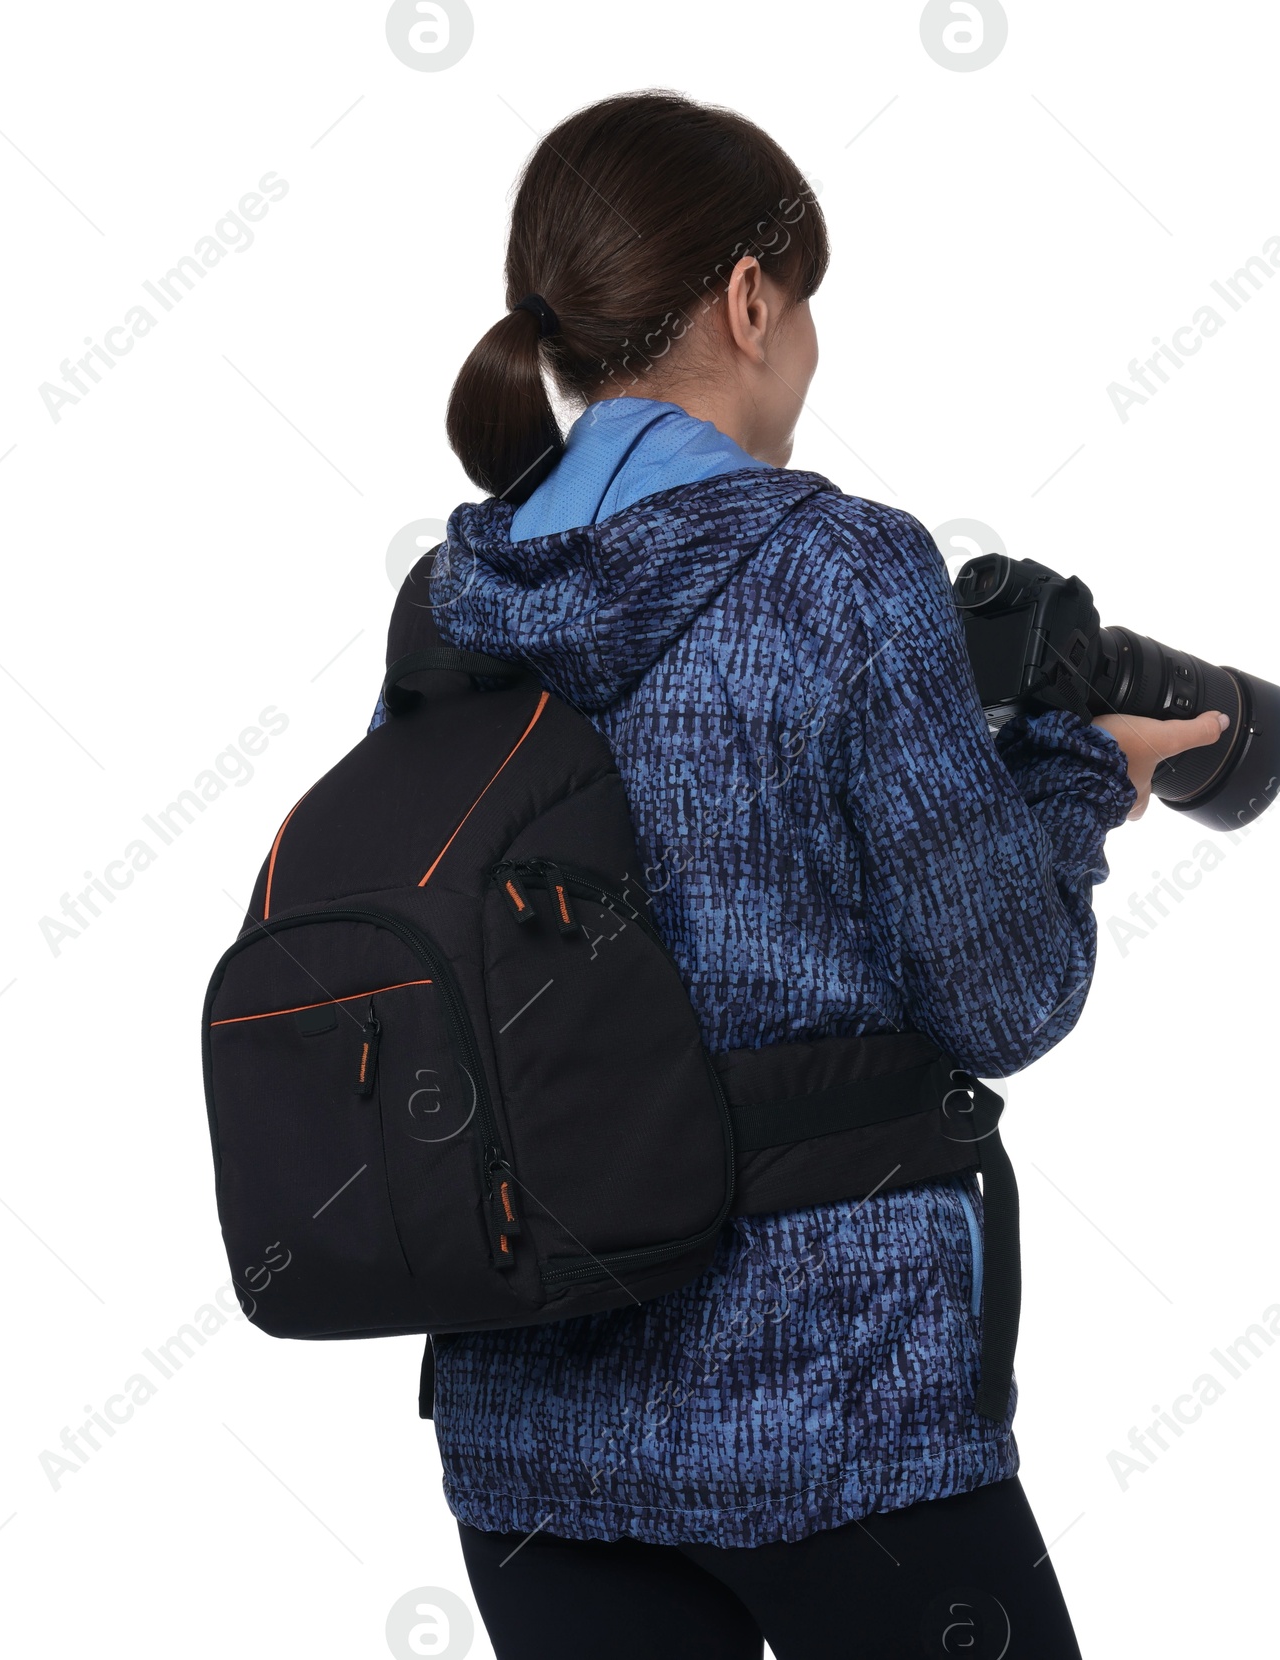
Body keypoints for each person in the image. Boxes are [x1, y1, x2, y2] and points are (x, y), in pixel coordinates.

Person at [412, 90, 1225, 1660]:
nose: (810, 355)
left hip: (526, 1433)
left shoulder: (453, 605)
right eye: (807, 307)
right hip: (831, 1404)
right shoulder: (834, 567)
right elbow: (1008, 992)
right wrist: (1082, 773)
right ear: (748, 297)